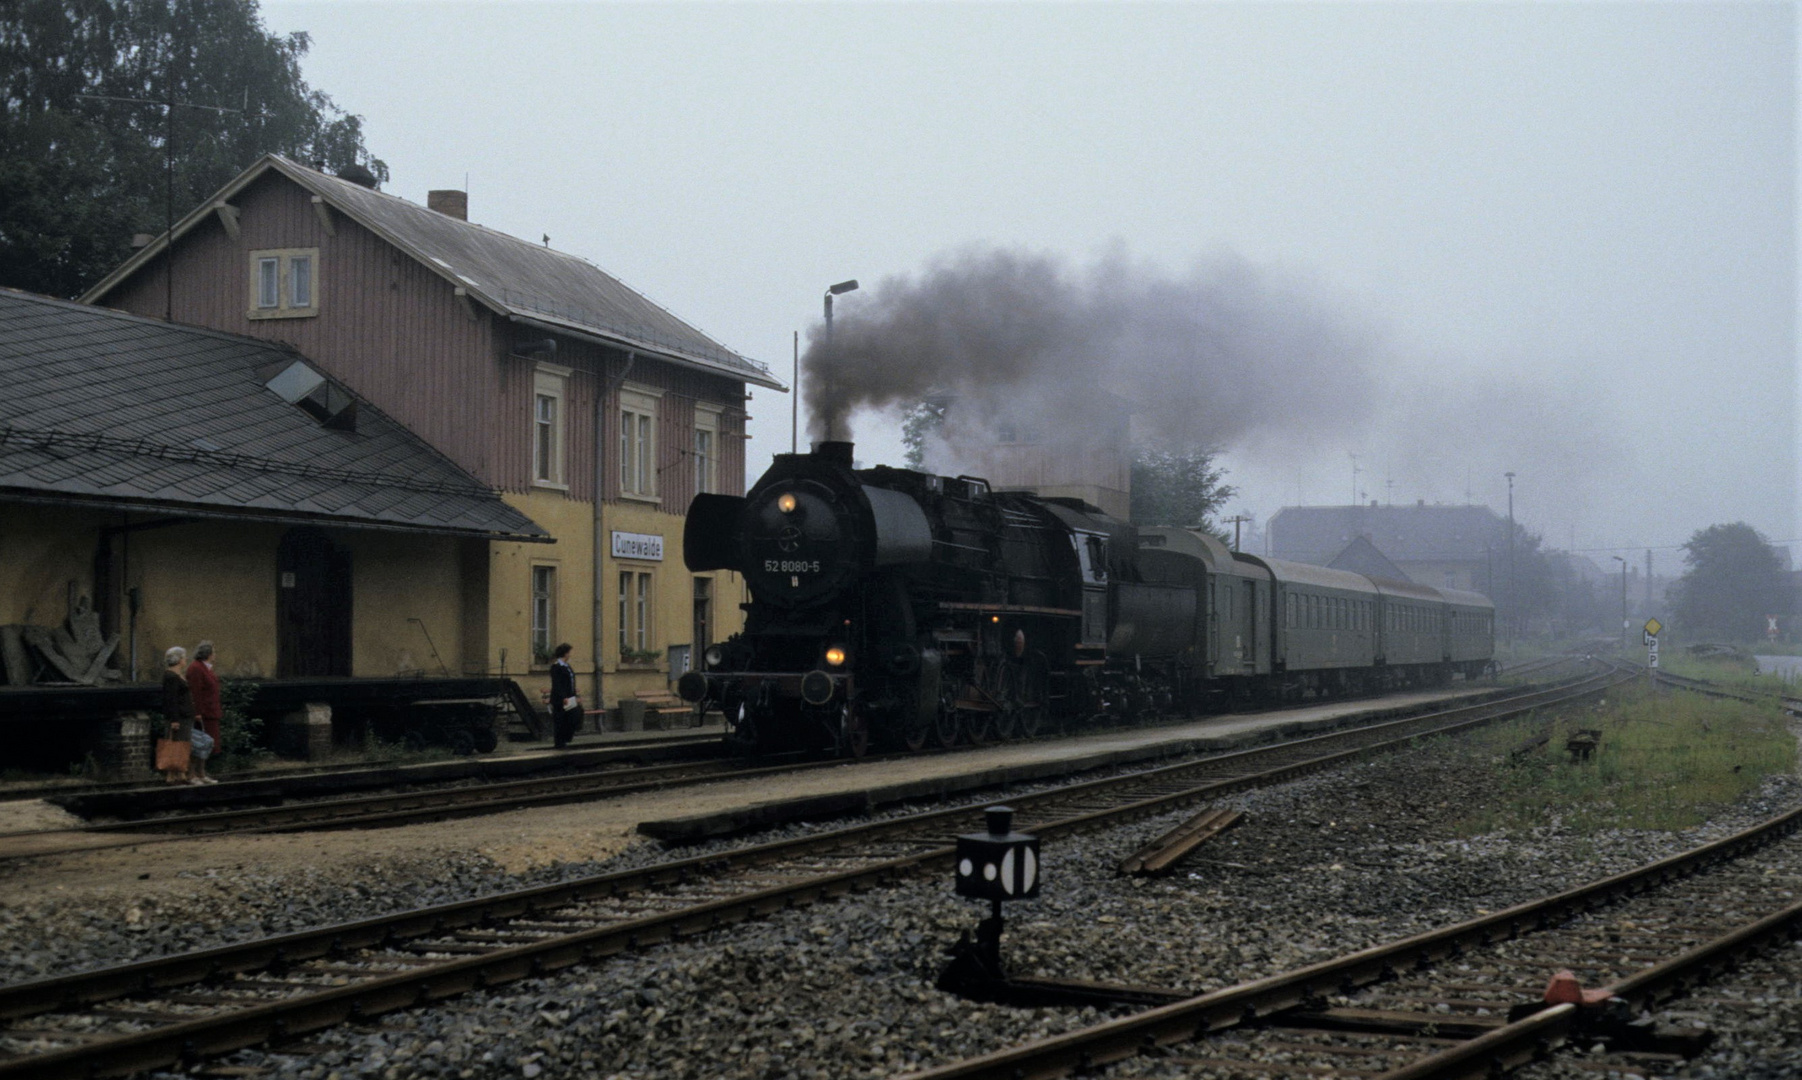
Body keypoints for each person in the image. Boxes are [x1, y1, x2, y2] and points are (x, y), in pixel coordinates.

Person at [160, 646, 199, 784]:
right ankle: (173, 773)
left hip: (185, 716)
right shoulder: (171, 677)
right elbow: (172, 699)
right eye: (183, 657)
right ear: (178, 659)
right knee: (177, 744)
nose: (185, 659)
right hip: (180, 717)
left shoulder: (176, 675)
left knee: (182, 744)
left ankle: (180, 772)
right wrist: (174, 719)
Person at [186, 641, 222, 784]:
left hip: (210, 712)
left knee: (206, 745)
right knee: (198, 744)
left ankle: (201, 773)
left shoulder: (206, 669)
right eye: (214, 652)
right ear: (208, 654)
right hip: (203, 713)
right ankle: (192, 774)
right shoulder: (196, 668)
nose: (215, 655)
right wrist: (197, 712)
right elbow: (195, 692)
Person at [550, 642, 581, 749]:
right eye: (569, 652)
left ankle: (566, 738)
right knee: (560, 720)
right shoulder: (556, 667)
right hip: (561, 699)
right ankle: (559, 742)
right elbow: (557, 684)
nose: (570, 655)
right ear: (565, 653)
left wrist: (574, 692)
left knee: (574, 716)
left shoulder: (567, 666)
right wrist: (563, 697)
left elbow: (570, 681)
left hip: (570, 697)